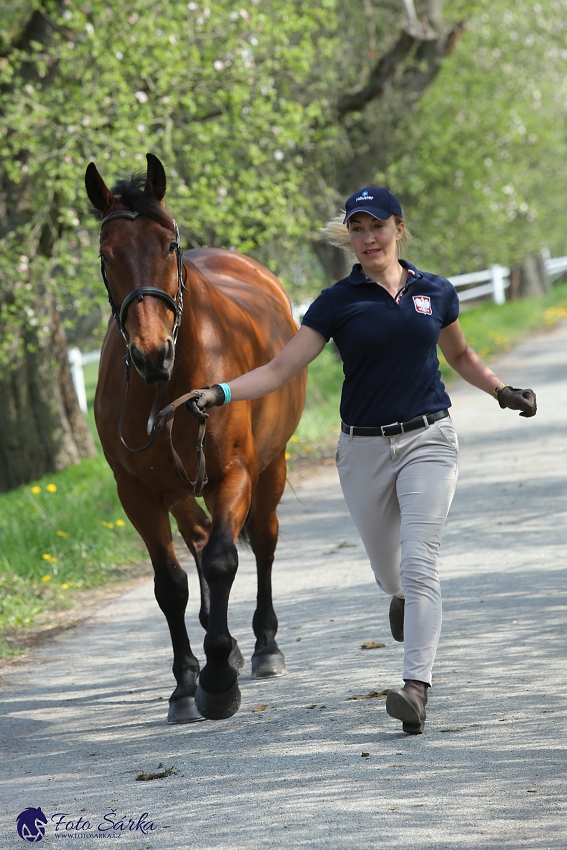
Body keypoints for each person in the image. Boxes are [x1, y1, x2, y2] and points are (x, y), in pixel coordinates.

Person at [185, 186, 537, 735]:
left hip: (429, 439)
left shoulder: (435, 292)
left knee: (422, 564)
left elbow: (461, 354)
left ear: (399, 228)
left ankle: (415, 688)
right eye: (357, 228)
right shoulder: (336, 303)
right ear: (349, 236)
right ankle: (398, 596)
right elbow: (280, 370)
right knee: (390, 571)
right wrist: (221, 392)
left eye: (378, 226)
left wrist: (500, 390)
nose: (368, 238)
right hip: (363, 449)